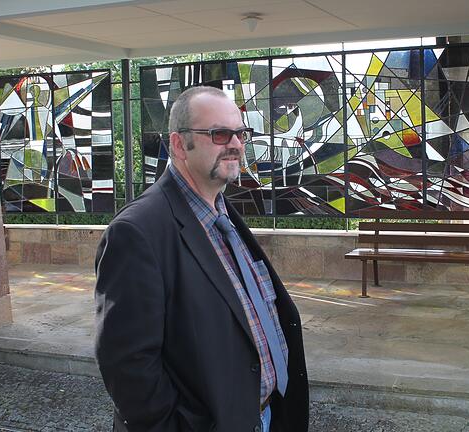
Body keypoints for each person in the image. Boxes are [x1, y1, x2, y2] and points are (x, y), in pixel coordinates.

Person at [94, 86, 309, 432]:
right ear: (179, 145)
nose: (236, 144)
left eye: (240, 133)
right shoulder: (137, 232)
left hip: (264, 417)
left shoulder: (222, 212)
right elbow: (128, 366)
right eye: (219, 134)